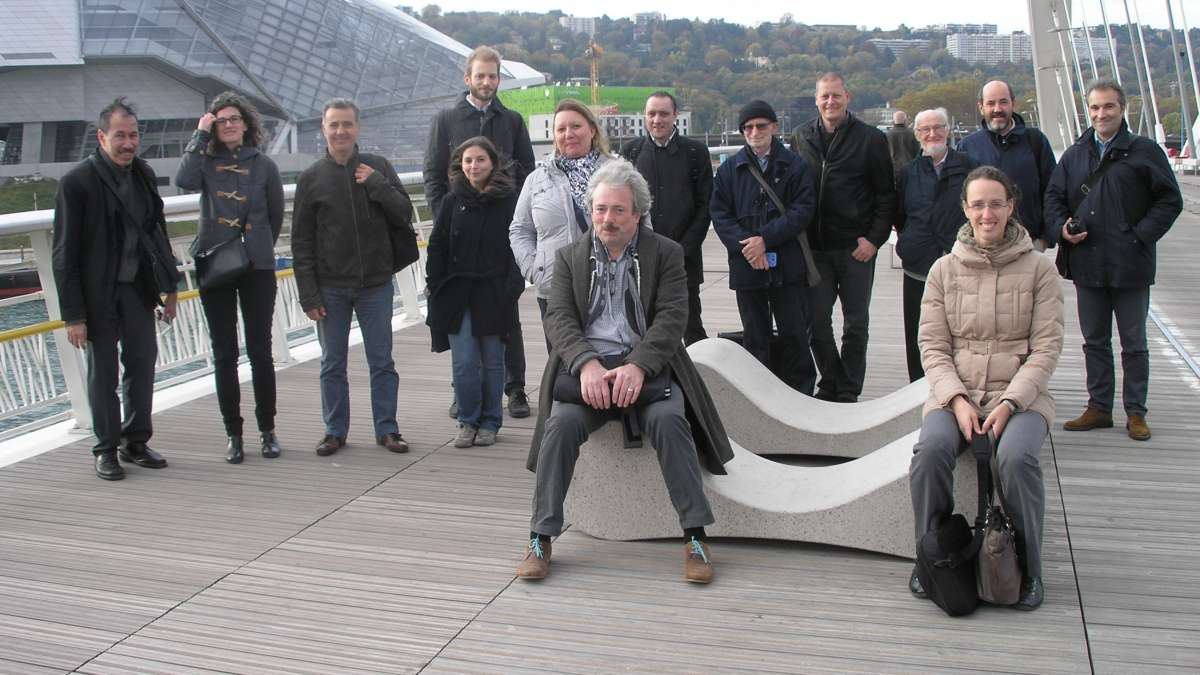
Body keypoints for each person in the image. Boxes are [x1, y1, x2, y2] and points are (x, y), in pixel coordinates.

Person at [516, 159, 734, 584]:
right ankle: (541, 535)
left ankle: (694, 536)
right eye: (600, 209)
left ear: (637, 213)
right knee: (559, 428)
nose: (607, 219)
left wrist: (638, 364)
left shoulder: (665, 254)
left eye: (618, 210)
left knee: (672, 423)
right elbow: (558, 318)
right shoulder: (570, 257)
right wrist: (586, 364)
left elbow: (673, 317)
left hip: (647, 373)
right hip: (588, 378)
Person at [909, 166, 1064, 611]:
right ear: (965, 210)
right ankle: (930, 554)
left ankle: (1030, 567)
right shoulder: (943, 270)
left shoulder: (1039, 270)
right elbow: (933, 346)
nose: (987, 213)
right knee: (931, 453)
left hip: (1021, 396)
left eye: (995, 203)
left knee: (1015, 458)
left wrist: (1012, 402)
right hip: (955, 392)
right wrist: (956, 401)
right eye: (977, 204)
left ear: (1010, 207)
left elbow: (1047, 348)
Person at [51, 97, 181, 481]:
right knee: (102, 372)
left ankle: (135, 440)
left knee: (142, 363)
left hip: (136, 289)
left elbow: (157, 233)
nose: (128, 143)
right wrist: (74, 315)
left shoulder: (141, 173)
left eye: (134, 135)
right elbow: (64, 254)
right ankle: (105, 447)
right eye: (120, 136)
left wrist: (170, 287)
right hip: (97, 294)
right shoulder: (77, 183)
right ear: (101, 136)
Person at [1045, 80, 1182, 441]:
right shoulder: (1075, 155)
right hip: (1088, 262)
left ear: (1122, 109)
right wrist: (1062, 229)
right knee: (1094, 340)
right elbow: (1054, 198)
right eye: (1094, 108)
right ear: (1087, 111)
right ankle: (1099, 407)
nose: (1101, 114)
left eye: (1108, 107)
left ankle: (1136, 412)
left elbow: (1170, 200)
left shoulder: (1144, 151)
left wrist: (1140, 235)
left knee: (1134, 342)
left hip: (1131, 262)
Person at [292, 98, 414, 457]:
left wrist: (376, 184)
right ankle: (334, 430)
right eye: (334, 125)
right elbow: (301, 241)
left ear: (357, 128)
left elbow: (404, 212)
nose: (341, 131)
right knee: (332, 362)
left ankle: (387, 429)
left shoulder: (377, 167)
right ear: (324, 130)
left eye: (347, 124)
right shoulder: (312, 179)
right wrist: (308, 294)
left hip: (374, 283)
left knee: (382, 361)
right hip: (330, 287)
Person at [424, 45, 536, 420]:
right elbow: (433, 175)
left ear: (499, 79)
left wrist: (519, 222)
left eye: (493, 76)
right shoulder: (446, 120)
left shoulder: (512, 120)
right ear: (467, 78)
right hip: (459, 234)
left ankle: (515, 388)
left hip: (503, 233)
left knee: (507, 313)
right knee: (462, 320)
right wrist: (447, 220)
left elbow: (527, 176)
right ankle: (465, 393)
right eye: (480, 75)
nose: (487, 82)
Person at [176, 91, 284, 464]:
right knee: (224, 353)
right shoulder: (203, 163)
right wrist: (198, 136)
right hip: (216, 263)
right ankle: (233, 434)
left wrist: (255, 247)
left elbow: (275, 215)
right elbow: (183, 180)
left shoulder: (264, 165)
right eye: (220, 120)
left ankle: (267, 430)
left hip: (257, 267)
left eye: (234, 118)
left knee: (260, 352)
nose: (229, 124)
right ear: (213, 125)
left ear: (246, 123)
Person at [791, 73, 895, 403]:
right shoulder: (801, 136)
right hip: (816, 248)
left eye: (836, 96)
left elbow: (885, 195)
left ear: (847, 97)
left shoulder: (871, 139)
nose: (830, 102)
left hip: (855, 249)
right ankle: (831, 379)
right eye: (825, 97)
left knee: (855, 324)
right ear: (816, 99)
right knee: (816, 322)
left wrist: (874, 240)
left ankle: (848, 389)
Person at [710, 99, 817, 394]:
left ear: (774, 127)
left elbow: (803, 210)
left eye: (761, 125)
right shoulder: (730, 170)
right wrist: (748, 247)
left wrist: (765, 240)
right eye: (748, 127)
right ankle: (760, 397)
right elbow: (720, 215)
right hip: (747, 266)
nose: (754, 131)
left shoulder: (795, 166)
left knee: (795, 335)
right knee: (755, 338)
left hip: (786, 263)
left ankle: (802, 396)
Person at [425, 137, 524, 448]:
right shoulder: (453, 201)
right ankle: (468, 420)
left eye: (480, 159)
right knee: (465, 360)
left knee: (493, 360)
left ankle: (491, 421)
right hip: (457, 290)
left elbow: (517, 244)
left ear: (492, 162)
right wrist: (435, 283)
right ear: (460, 165)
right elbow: (437, 244)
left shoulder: (509, 200)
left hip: (494, 291)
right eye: (468, 160)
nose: (473, 166)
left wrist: (512, 286)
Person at [619, 91, 714, 345]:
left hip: (685, 254)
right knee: (643, 324)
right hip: (641, 254)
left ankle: (696, 380)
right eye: (651, 114)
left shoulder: (695, 152)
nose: (657, 119)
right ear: (644, 117)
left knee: (691, 323)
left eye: (663, 113)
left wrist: (685, 249)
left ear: (675, 116)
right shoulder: (631, 152)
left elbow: (706, 206)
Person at [894, 108, 979, 382]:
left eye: (938, 127)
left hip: (960, 265)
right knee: (918, 330)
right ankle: (917, 386)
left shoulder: (970, 168)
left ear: (948, 129)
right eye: (925, 130)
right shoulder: (908, 172)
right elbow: (899, 215)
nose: (932, 134)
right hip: (918, 265)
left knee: (962, 329)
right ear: (917, 135)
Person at [510, 99, 612, 320]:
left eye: (576, 126)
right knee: (561, 354)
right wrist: (535, 269)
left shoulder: (617, 174)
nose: (569, 134)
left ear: (592, 130)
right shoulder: (536, 180)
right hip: (555, 292)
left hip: (611, 289)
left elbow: (641, 223)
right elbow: (519, 230)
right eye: (561, 129)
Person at [958, 80, 1057, 251]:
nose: (997, 109)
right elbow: (959, 198)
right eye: (991, 103)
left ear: (1013, 104)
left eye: (1003, 102)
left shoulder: (1036, 141)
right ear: (981, 107)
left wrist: (1045, 238)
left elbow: (1052, 190)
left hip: (1029, 244)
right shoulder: (967, 146)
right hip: (982, 246)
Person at [886, 110, 920, 175]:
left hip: (893, 169)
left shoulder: (887, 135)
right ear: (905, 120)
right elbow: (917, 152)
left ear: (893, 121)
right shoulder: (912, 134)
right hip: (910, 168)